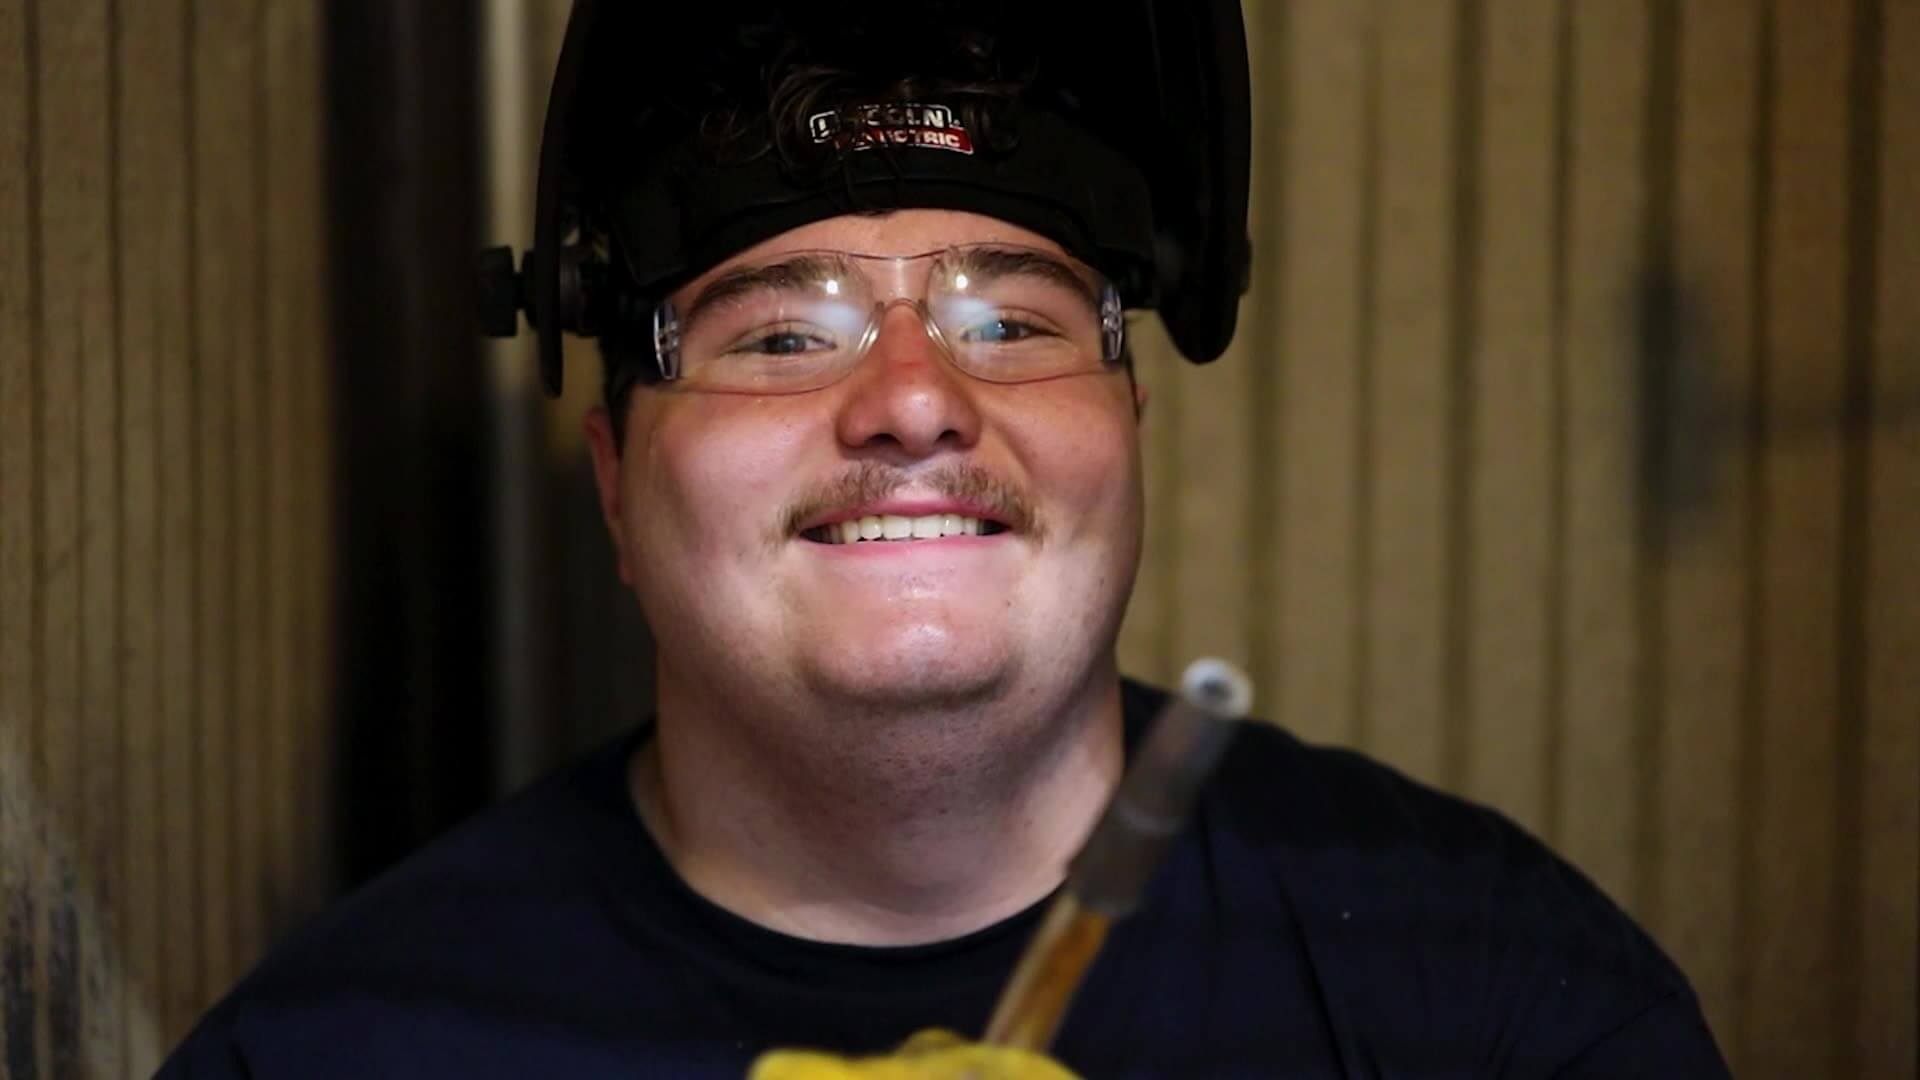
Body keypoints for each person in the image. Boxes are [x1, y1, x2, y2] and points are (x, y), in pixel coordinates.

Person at [161, 2, 1730, 1075]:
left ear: (1130, 435)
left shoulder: (1502, 1002)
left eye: (1010, 319)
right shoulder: (344, 1047)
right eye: (779, 338)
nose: (914, 398)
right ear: (618, 491)